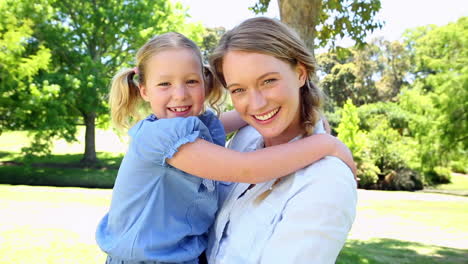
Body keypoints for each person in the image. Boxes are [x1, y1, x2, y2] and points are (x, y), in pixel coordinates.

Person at [95, 32, 355, 264]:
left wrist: (306, 110)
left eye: (191, 81)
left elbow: (250, 110)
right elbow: (247, 169)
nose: (180, 94)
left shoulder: (199, 125)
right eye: (164, 84)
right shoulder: (159, 137)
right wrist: (326, 144)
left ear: (205, 83)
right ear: (144, 91)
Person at [206, 17, 358, 264]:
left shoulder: (327, 180)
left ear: (300, 73)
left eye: (268, 81)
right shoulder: (245, 138)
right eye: (238, 90)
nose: (256, 104)